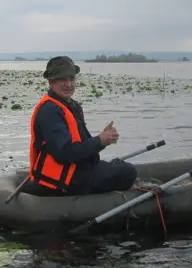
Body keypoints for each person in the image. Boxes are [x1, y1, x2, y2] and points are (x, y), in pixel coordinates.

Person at [23, 56, 137, 196]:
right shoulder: (50, 111)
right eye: (63, 79)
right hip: (66, 182)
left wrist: (102, 140)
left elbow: (81, 146)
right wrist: (99, 140)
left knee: (117, 164)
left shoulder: (71, 106)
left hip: (76, 171)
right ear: (51, 82)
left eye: (72, 79)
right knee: (129, 172)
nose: (69, 84)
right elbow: (65, 153)